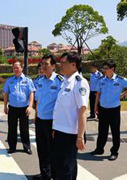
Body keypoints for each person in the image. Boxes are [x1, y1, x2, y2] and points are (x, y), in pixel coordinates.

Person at [52, 52, 90, 180]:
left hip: (70, 134)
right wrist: (55, 128)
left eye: (63, 63)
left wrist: (80, 136)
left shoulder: (79, 83)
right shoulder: (65, 82)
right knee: (62, 166)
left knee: (66, 168)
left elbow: (83, 111)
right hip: (60, 131)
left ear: (73, 65)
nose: (60, 65)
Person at [33, 54, 63, 180]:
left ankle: (54, 175)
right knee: (42, 150)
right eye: (42, 63)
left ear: (53, 66)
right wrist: (35, 116)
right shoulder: (39, 81)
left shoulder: (60, 82)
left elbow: (62, 105)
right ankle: (45, 174)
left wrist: (58, 124)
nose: (43, 66)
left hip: (52, 122)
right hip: (40, 121)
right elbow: (38, 102)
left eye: (46, 64)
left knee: (53, 151)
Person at [90, 60, 127, 161]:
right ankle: (99, 149)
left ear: (112, 69)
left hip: (114, 109)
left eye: (106, 68)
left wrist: (124, 94)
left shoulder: (120, 80)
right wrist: (95, 106)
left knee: (115, 131)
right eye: (104, 68)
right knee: (102, 130)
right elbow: (98, 93)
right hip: (103, 109)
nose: (104, 70)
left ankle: (114, 152)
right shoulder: (101, 80)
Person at [3, 60, 35, 155]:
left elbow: (31, 93)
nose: (16, 69)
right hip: (12, 108)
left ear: (21, 68)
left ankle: (26, 147)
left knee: (24, 129)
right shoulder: (9, 80)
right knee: (12, 128)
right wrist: (5, 106)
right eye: (14, 68)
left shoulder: (27, 80)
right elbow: (6, 93)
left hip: (24, 108)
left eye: (17, 67)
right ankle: (12, 147)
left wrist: (30, 106)